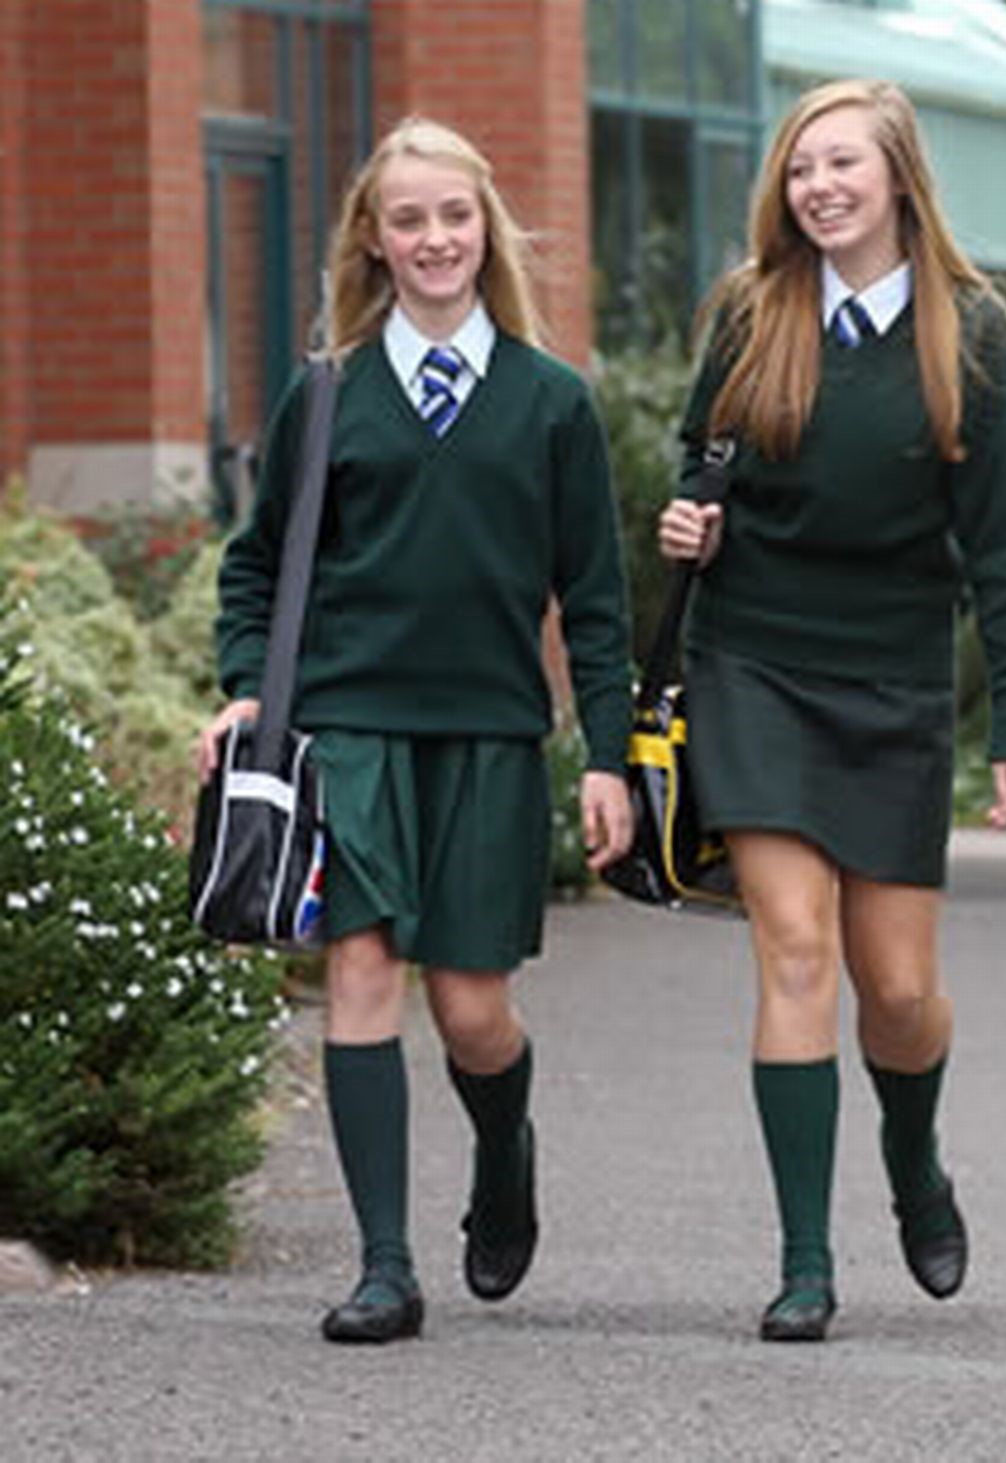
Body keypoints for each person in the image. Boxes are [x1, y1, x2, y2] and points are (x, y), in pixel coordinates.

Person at [199, 117, 634, 1344]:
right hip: (348, 724)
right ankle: (384, 1264)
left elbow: (596, 602)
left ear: (483, 227)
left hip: (491, 731)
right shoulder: (328, 393)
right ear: (374, 243)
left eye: (454, 215)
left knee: (473, 1007)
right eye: (408, 220)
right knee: (360, 969)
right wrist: (247, 685)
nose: (434, 237)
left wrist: (605, 756)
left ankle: (506, 1152)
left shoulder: (552, 404)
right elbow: (256, 566)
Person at [657, 78, 1006, 1344]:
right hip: (754, 663)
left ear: (896, 179)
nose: (818, 188)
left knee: (897, 988)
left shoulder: (970, 330)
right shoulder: (749, 313)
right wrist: (687, 523)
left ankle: (914, 1154)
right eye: (799, 170)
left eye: (840, 166)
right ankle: (804, 1259)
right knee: (794, 947)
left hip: (892, 679)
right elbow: (696, 468)